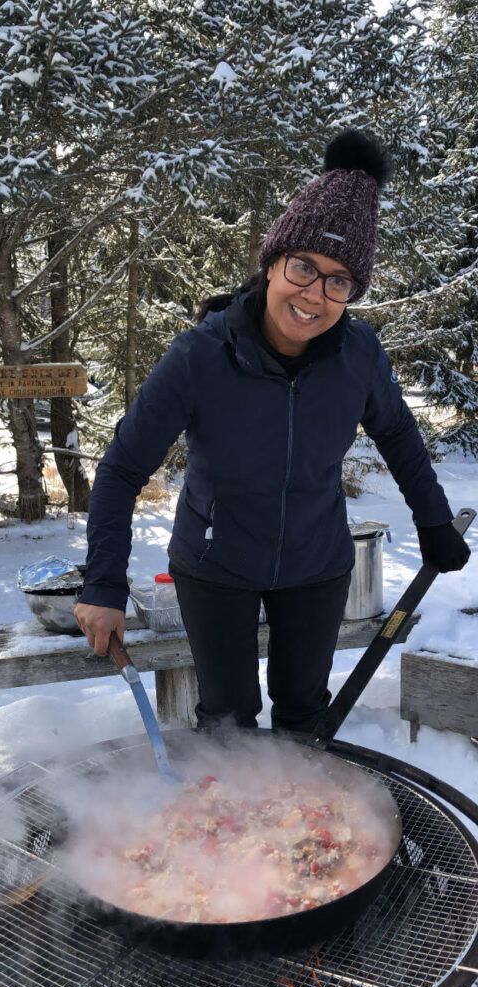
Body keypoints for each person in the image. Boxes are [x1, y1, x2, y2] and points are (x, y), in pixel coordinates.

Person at [74, 129, 471, 733]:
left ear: (353, 292)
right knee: (228, 722)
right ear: (271, 262)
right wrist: (103, 583)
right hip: (215, 566)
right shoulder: (200, 357)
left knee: (304, 716)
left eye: (339, 281)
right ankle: (229, 824)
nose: (314, 294)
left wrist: (434, 522)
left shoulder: (358, 353)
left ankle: (301, 827)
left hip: (317, 564)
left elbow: (399, 438)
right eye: (303, 267)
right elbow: (123, 468)